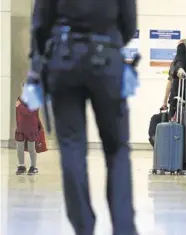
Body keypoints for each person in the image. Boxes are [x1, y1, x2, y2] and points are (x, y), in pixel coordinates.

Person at [30, 0, 138, 234]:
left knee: (71, 147)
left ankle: (83, 227)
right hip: (106, 60)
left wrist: (37, 65)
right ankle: (123, 227)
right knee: (117, 148)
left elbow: (40, 23)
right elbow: (129, 22)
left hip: (64, 59)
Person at [15, 82, 45, 175]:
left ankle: (33, 167)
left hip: (31, 129)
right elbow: (18, 115)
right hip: (21, 128)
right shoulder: (19, 99)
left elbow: (29, 113)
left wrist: (19, 106)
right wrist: (18, 126)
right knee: (19, 148)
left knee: (32, 149)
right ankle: (21, 166)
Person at [161, 39, 186, 110]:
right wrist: (165, 101)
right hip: (175, 100)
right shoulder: (174, 64)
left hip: (184, 100)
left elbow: (169, 83)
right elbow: (170, 82)